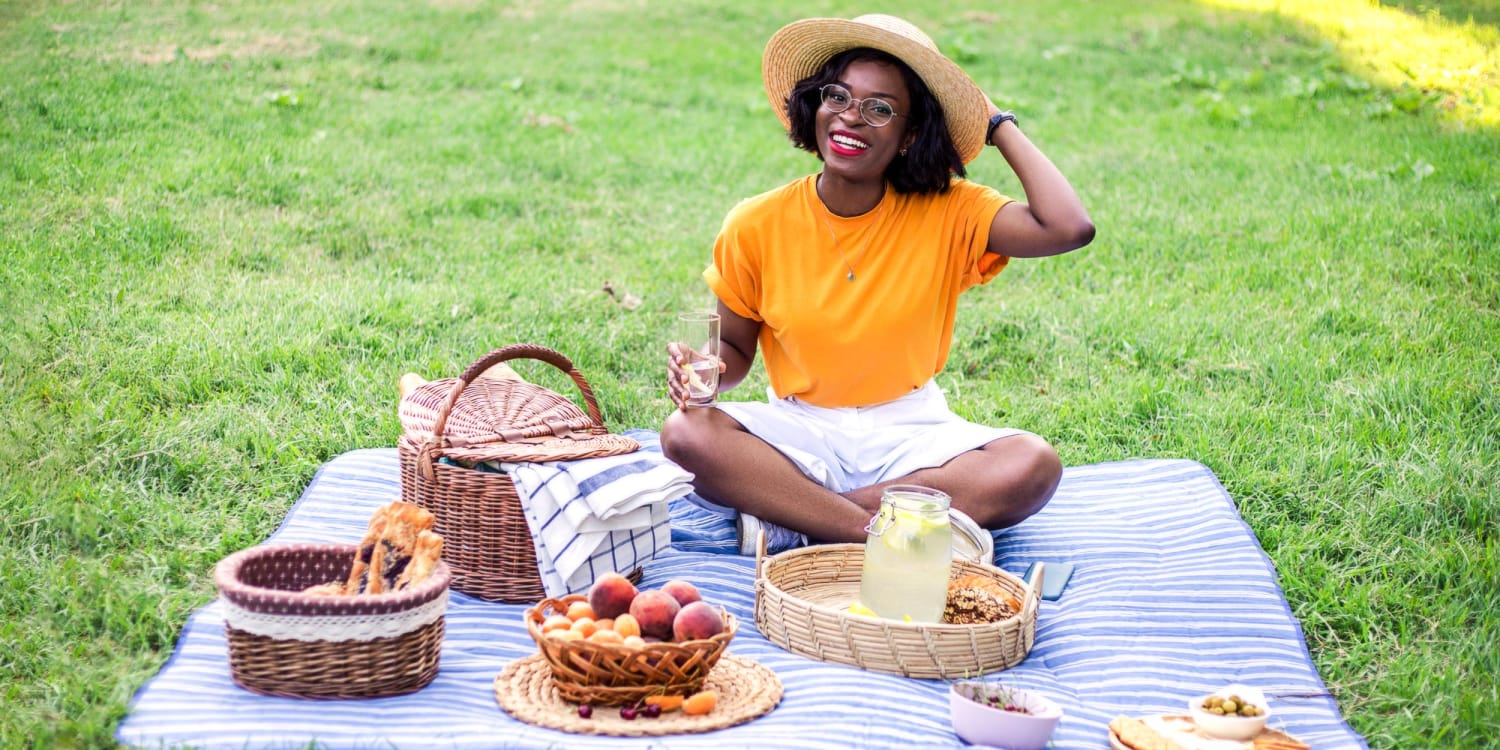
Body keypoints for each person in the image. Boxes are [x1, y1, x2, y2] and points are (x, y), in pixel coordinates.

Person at [661, 14, 1094, 555]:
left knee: (1032, 464)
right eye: (837, 96)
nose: (850, 119)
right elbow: (734, 348)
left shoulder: (952, 211)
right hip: (802, 430)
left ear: (910, 134)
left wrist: (997, 122)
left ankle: (799, 518)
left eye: (880, 108)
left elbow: (1068, 227)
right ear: (814, 105)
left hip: (911, 433)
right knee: (686, 433)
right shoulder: (755, 223)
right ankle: (883, 527)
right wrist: (706, 370)